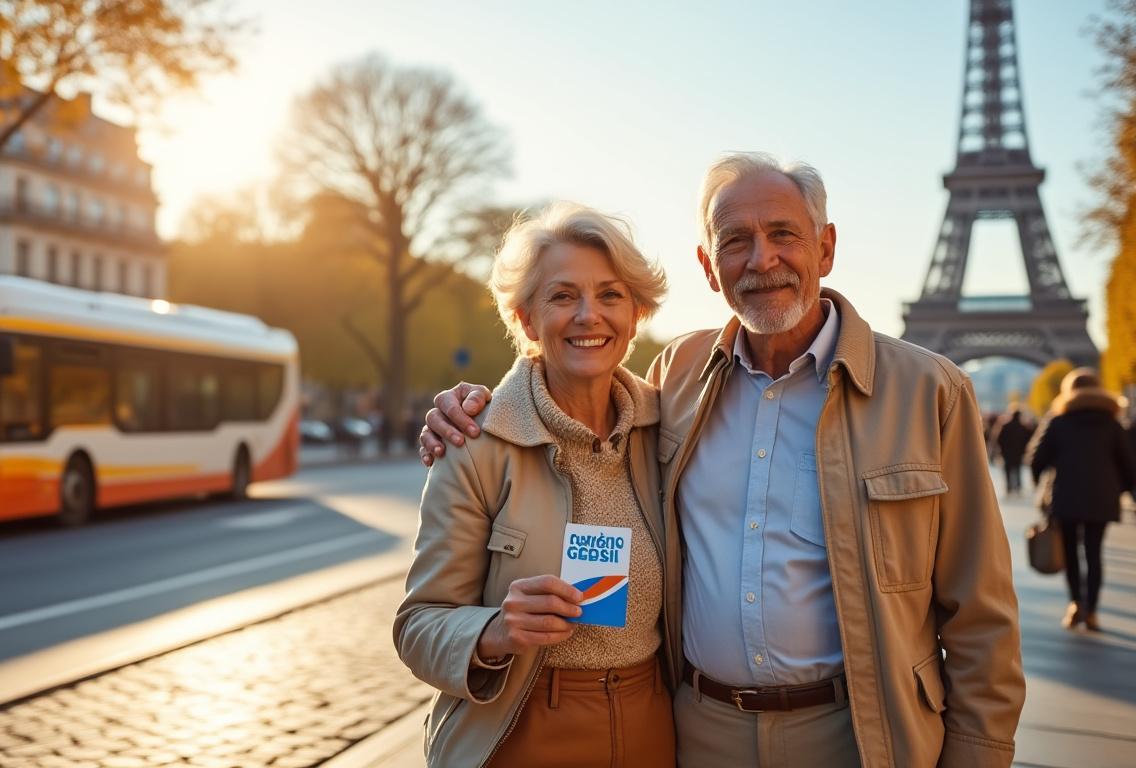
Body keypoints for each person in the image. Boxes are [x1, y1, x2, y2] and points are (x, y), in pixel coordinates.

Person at [420, 153, 1025, 767]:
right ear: (709, 267)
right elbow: (568, 389)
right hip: (698, 732)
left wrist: (979, 754)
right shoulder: (674, 383)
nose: (762, 259)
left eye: (783, 233)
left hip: (853, 733)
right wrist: (475, 406)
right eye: (736, 241)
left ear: (826, 247)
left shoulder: (928, 391)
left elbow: (981, 611)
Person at [394, 203, 678, 767]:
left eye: (610, 295)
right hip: (521, 729)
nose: (588, 315)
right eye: (563, 296)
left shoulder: (671, 429)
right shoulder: (476, 444)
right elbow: (418, 624)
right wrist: (495, 632)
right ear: (527, 320)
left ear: (636, 313)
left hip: (655, 725)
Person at [1026, 368, 1136, 631]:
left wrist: (1039, 482)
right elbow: (1128, 464)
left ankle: (1075, 604)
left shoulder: (1058, 421)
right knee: (1094, 552)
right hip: (1102, 497)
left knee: (1071, 554)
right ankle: (1092, 610)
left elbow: (1036, 459)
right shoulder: (1111, 422)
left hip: (1066, 496)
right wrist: (1123, 490)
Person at [992, 408, 1033, 495]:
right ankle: (1018, 486)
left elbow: (998, 439)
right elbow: (1028, 440)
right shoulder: (1023, 427)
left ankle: (1009, 487)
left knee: (1007, 470)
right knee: (1017, 469)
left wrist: (1001, 449)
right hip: (1018, 452)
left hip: (1006, 452)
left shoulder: (1005, 426)